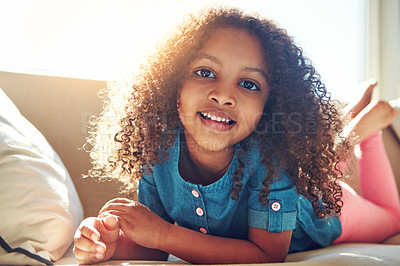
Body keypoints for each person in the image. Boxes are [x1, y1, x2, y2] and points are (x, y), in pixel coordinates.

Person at [73, 7, 400, 264]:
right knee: (322, 160)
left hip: (322, 209)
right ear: (174, 87)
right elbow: (153, 245)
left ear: (267, 108)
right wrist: (110, 244)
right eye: (205, 72)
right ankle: (350, 126)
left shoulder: (270, 159)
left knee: (392, 217)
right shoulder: (158, 149)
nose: (223, 95)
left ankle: (366, 130)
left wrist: (162, 235)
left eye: (248, 84)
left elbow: (267, 254)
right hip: (296, 179)